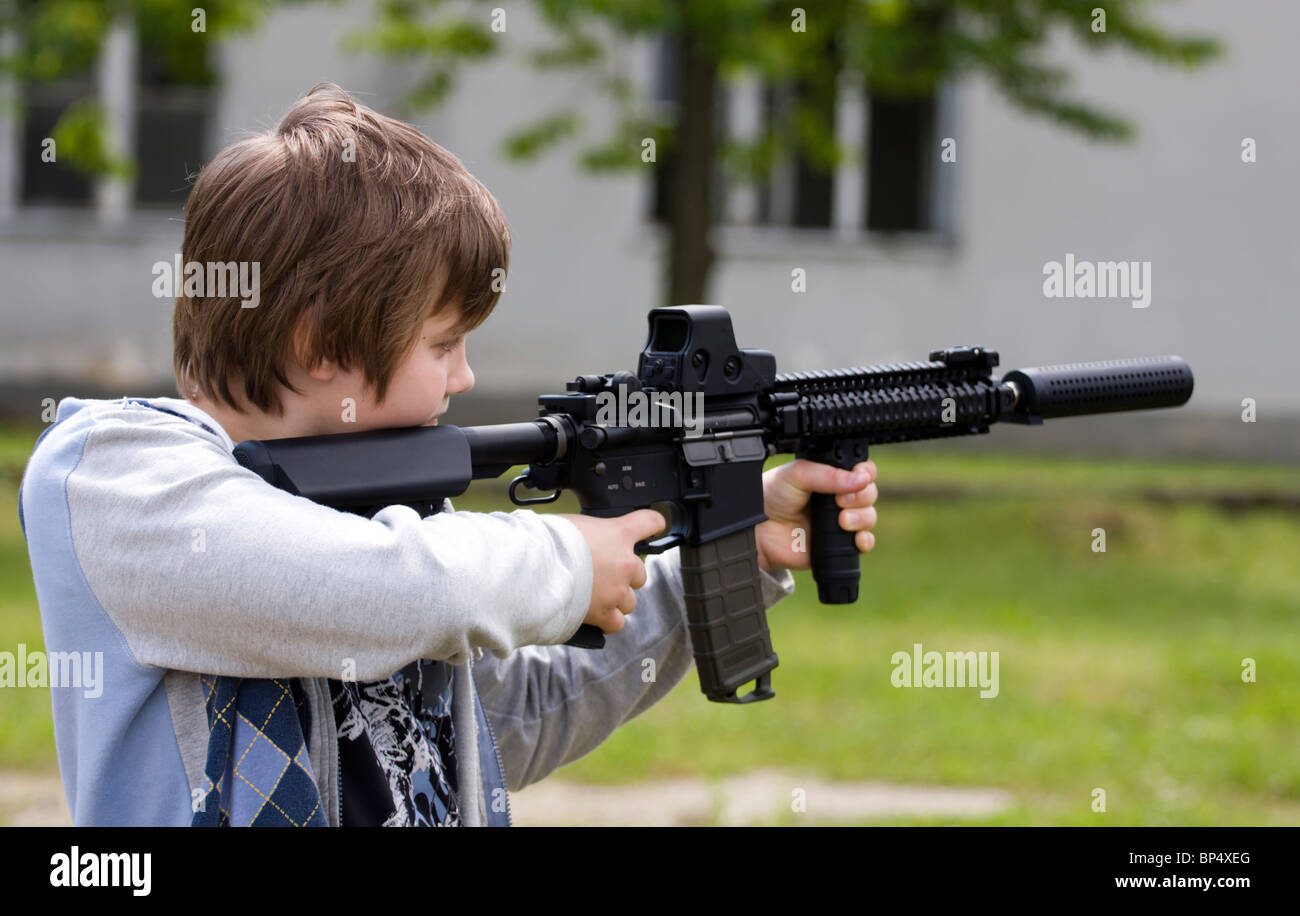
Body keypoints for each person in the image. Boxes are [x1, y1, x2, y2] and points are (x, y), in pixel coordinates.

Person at [18, 83, 879, 826]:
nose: (464, 375)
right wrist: (561, 561)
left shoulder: (396, 527)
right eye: (443, 344)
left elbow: (521, 715)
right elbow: (380, 588)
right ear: (320, 345)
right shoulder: (112, 478)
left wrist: (724, 550)